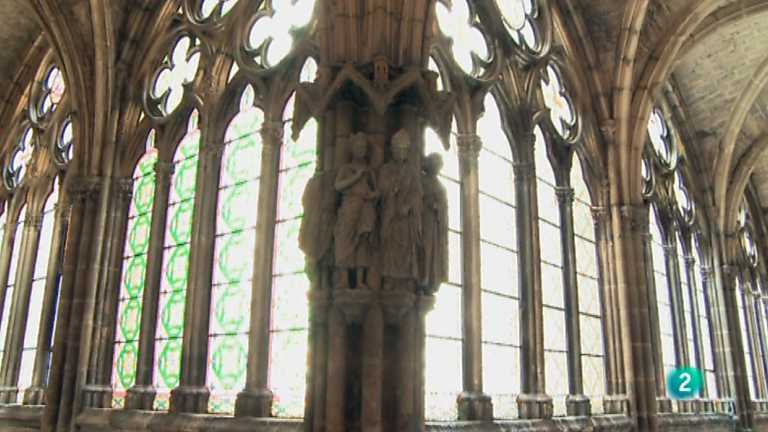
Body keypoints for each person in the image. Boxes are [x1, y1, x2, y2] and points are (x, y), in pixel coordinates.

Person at [378, 128, 423, 288]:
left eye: (403, 150)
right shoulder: (386, 169)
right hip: (390, 215)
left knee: (406, 248)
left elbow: (418, 193)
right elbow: (381, 188)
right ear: (392, 150)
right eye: (397, 149)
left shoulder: (411, 172)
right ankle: (390, 278)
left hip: (406, 219)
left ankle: (406, 279)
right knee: (390, 248)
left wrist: (408, 205)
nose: (400, 152)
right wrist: (392, 189)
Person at [333, 132, 379, 289]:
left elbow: (376, 191)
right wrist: (356, 176)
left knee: (362, 244)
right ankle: (344, 279)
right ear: (352, 149)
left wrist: (371, 195)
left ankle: (360, 281)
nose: (361, 150)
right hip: (349, 208)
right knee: (343, 241)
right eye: (358, 147)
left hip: (365, 209)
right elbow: (338, 186)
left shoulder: (369, 171)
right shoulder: (346, 169)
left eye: (363, 147)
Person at [420, 153, 448, 294]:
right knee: (424, 248)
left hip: (434, 224)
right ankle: (422, 277)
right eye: (434, 163)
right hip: (422, 220)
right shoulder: (421, 180)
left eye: (438, 165)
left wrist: (437, 206)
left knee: (432, 252)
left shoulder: (440, 186)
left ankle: (430, 279)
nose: (436, 167)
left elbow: (443, 206)